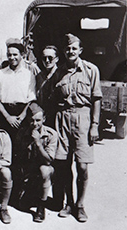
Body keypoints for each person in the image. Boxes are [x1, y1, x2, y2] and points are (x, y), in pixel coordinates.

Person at [53, 33, 102, 222]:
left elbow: (96, 99)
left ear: (80, 50)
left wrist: (95, 125)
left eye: (74, 48)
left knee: (82, 165)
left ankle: (80, 205)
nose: (70, 51)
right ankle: (69, 202)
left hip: (83, 118)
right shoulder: (59, 71)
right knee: (64, 164)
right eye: (67, 48)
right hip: (63, 117)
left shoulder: (91, 70)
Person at [14, 102, 57, 223]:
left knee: (44, 170)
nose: (35, 124)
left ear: (44, 119)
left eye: (38, 120)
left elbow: (49, 160)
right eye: (32, 120)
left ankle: (41, 206)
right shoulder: (22, 133)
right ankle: (30, 192)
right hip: (29, 173)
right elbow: (19, 158)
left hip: (46, 171)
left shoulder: (51, 134)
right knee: (22, 205)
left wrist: (38, 143)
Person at [0, 38, 36, 148]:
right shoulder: (0, 74)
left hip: (22, 114)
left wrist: (22, 116)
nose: (12, 58)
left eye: (15, 54)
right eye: (9, 55)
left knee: (21, 148)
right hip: (4, 112)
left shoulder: (29, 75)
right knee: (3, 146)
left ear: (22, 55)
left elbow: (31, 98)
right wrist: (7, 117)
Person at [35, 45, 60, 128]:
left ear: (56, 59)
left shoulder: (61, 75)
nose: (47, 61)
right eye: (44, 58)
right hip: (43, 116)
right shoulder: (39, 76)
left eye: (50, 58)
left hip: (58, 117)